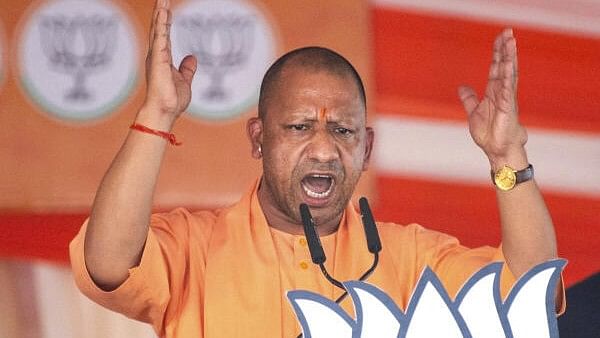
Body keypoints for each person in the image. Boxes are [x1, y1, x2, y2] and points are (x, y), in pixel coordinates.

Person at [70, 0, 563, 337]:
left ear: (366, 148)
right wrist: (156, 116)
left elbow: (529, 294)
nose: (325, 150)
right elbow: (109, 262)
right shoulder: (195, 247)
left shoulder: (409, 255)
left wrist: (507, 156)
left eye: (343, 132)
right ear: (259, 138)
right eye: (300, 127)